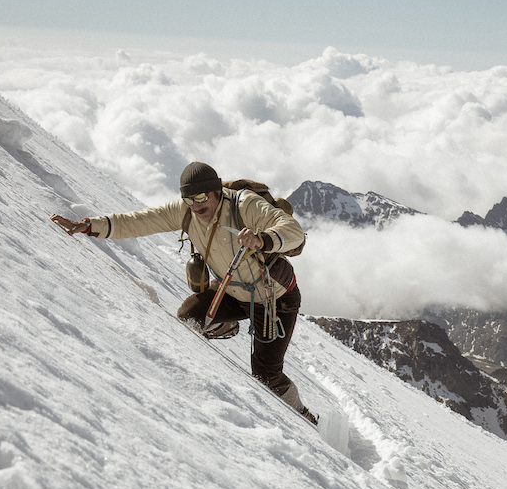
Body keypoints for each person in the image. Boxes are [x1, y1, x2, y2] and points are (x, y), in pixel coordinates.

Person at [51, 162, 316, 425]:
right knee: (189, 317)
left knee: (266, 374)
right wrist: (88, 226)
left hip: (274, 299)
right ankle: (228, 324)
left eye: (201, 198)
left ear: (216, 193)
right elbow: (139, 221)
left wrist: (262, 239)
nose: (195, 205)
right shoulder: (186, 211)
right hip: (232, 290)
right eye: (188, 199)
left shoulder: (244, 204)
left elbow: (293, 232)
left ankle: (302, 415)